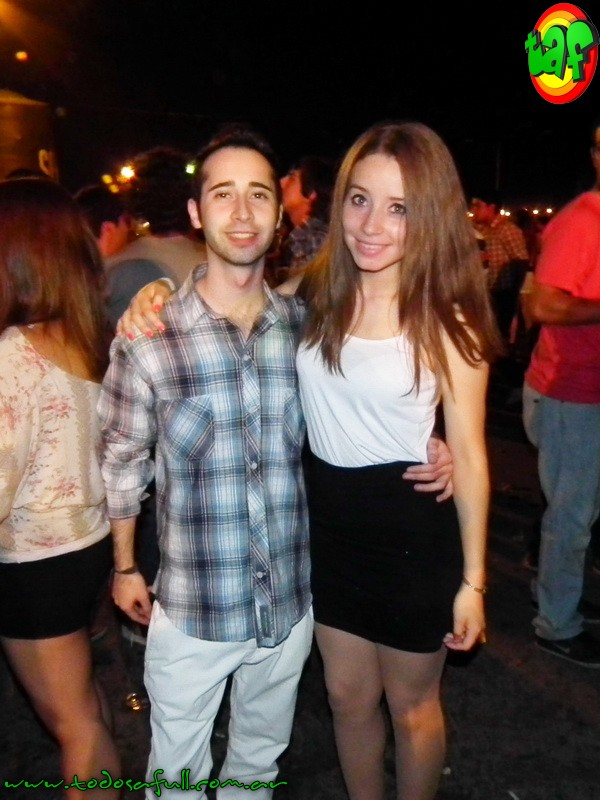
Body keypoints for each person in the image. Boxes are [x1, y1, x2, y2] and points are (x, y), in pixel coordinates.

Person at [114, 120, 489, 800]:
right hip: (325, 536)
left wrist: (474, 579)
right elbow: (230, 301)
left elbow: (472, 452)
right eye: (359, 200)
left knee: (411, 708)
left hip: (410, 532)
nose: (372, 224)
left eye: (399, 207)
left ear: (428, 215)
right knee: (346, 698)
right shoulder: (316, 297)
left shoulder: (445, 316)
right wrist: (158, 291)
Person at [0, 178, 120, 798]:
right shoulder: (86, 340)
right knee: (85, 709)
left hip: (32, 563)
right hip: (84, 547)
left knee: (75, 725)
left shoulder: (13, 356)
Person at [522, 116, 600, 667]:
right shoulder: (582, 221)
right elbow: (543, 305)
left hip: (586, 391)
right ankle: (555, 622)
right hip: (569, 392)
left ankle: (556, 593)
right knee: (571, 516)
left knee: (579, 510)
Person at [470, 193, 529, 346]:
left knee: (500, 332)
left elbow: (521, 261)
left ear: (491, 207)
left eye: (478, 206)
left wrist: (513, 294)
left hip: (503, 292)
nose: (474, 210)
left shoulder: (507, 230)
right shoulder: (483, 229)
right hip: (487, 290)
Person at [270, 155, 336, 284]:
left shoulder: (315, 242)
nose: (281, 183)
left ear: (311, 193)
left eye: (292, 179)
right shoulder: (297, 237)